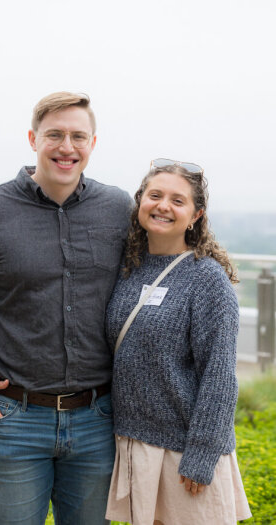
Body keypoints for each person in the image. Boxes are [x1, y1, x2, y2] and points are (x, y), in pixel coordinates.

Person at [0, 92, 133, 525]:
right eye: (54, 134)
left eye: (78, 136)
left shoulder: (119, 209)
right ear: (32, 139)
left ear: (93, 143)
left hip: (98, 418)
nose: (66, 147)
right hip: (14, 418)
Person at [105, 159, 251, 525]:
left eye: (178, 200)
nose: (163, 206)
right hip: (133, 443)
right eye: (155, 195)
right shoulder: (127, 267)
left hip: (184, 450)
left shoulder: (207, 279)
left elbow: (219, 376)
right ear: (140, 201)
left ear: (196, 215)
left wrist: (202, 454)